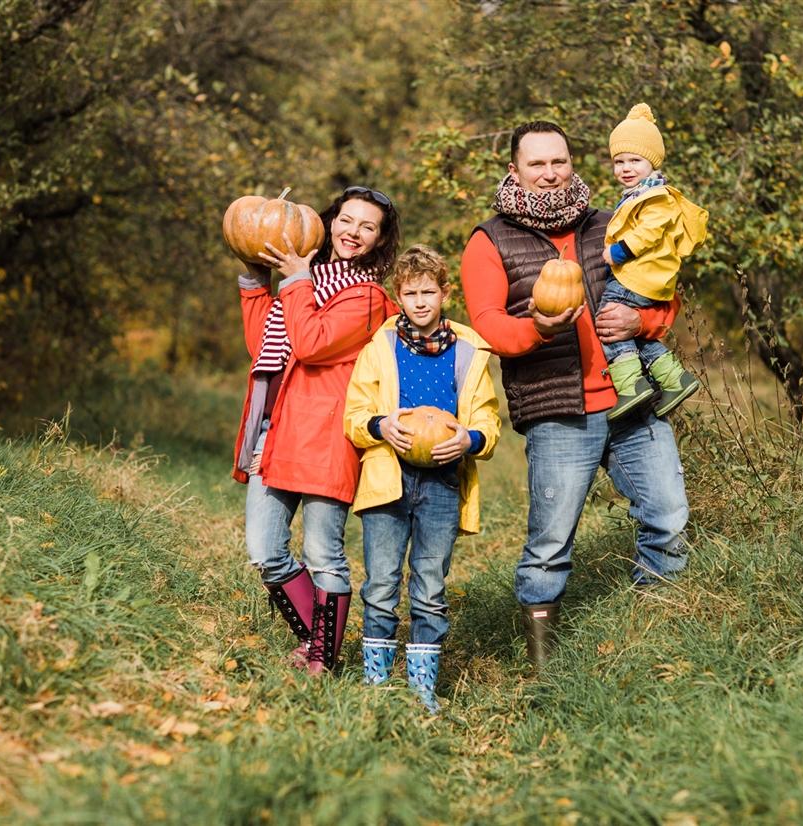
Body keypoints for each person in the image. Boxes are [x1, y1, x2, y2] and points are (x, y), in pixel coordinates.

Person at [460, 121, 690, 668]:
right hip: (558, 408)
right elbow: (487, 323)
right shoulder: (489, 240)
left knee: (668, 517)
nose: (549, 173)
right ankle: (545, 669)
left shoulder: (613, 222)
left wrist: (644, 320)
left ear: (572, 163)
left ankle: (658, 639)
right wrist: (537, 328)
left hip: (633, 400)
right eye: (536, 164)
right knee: (549, 545)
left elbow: (662, 289)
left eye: (558, 161)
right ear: (514, 169)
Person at [231, 186, 400, 676]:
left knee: (323, 553)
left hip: (327, 438)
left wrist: (298, 281)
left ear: (379, 240)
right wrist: (255, 279)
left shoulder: (368, 297)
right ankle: (318, 641)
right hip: (278, 428)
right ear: (330, 224)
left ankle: (322, 657)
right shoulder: (303, 281)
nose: (354, 233)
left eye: (368, 227)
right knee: (265, 551)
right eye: (347, 221)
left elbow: (310, 344)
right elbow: (266, 341)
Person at [343, 245, 501, 713]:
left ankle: (420, 689)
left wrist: (470, 440)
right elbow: (355, 414)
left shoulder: (469, 352)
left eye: (428, 292)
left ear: (444, 292)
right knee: (381, 583)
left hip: (441, 484)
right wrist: (379, 426)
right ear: (399, 296)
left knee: (430, 587)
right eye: (410, 293)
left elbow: (488, 421)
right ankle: (376, 684)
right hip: (388, 480)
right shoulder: (380, 348)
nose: (420, 302)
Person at [598, 102, 708, 421]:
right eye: (619, 161)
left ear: (652, 162)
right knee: (633, 334)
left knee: (609, 320)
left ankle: (631, 385)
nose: (626, 168)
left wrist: (618, 252)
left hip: (640, 277)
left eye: (635, 160)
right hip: (640, 275)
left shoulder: (656, 196)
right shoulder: (638, 195)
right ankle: (675, 379)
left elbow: (648, 233)